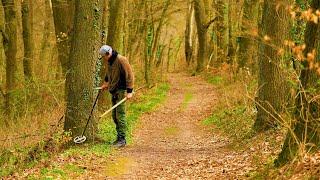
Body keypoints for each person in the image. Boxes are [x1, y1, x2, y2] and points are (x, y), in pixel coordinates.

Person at [99, 45, 134, 147]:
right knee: (114, 116)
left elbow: (130, 75)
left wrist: (129, 91)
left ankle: (122, 139)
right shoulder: (110, 60)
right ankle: (119, 137)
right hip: (114, 90)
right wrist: (106, 83)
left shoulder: (121, 60)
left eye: (103, 56)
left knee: (120, 115)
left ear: (107, 54)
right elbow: (109, 73)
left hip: (122, 90)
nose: (103, 59)